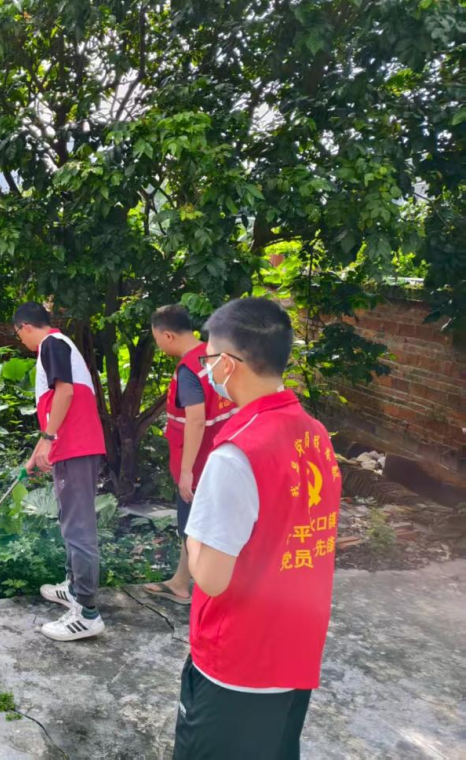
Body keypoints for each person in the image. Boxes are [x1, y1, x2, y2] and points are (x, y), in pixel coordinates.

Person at [174, 298, 342, 759]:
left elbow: (211, 577)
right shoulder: (315, 433)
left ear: (228, 364)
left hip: (237, 663)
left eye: (209, 359)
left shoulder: (236, 454)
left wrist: (194, 533)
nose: (206, 370)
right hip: (295, 650)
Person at [13, 302, 108, 641]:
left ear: (25, 327)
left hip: (75, 447)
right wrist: (39, 451)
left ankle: (87, 612)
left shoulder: (51, 344)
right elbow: (57, 403)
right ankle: (73, 587)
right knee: (71, 520)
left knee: (78, 527)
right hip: (72, 446)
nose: (22, 342)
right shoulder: (59, 345)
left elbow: (64, 392)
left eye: (19, 335)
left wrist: (48, 439)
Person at [144, 305, 235, 605]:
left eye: (157, 337)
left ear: (168, 335)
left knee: (194, 527)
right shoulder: (215, 356)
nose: (158, 343)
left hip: (199, 461)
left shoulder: (188, 370)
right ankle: (180, 583)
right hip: (224, 452)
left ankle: (214, 593)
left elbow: (195, 420)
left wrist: (187, 473)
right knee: (202, 522)